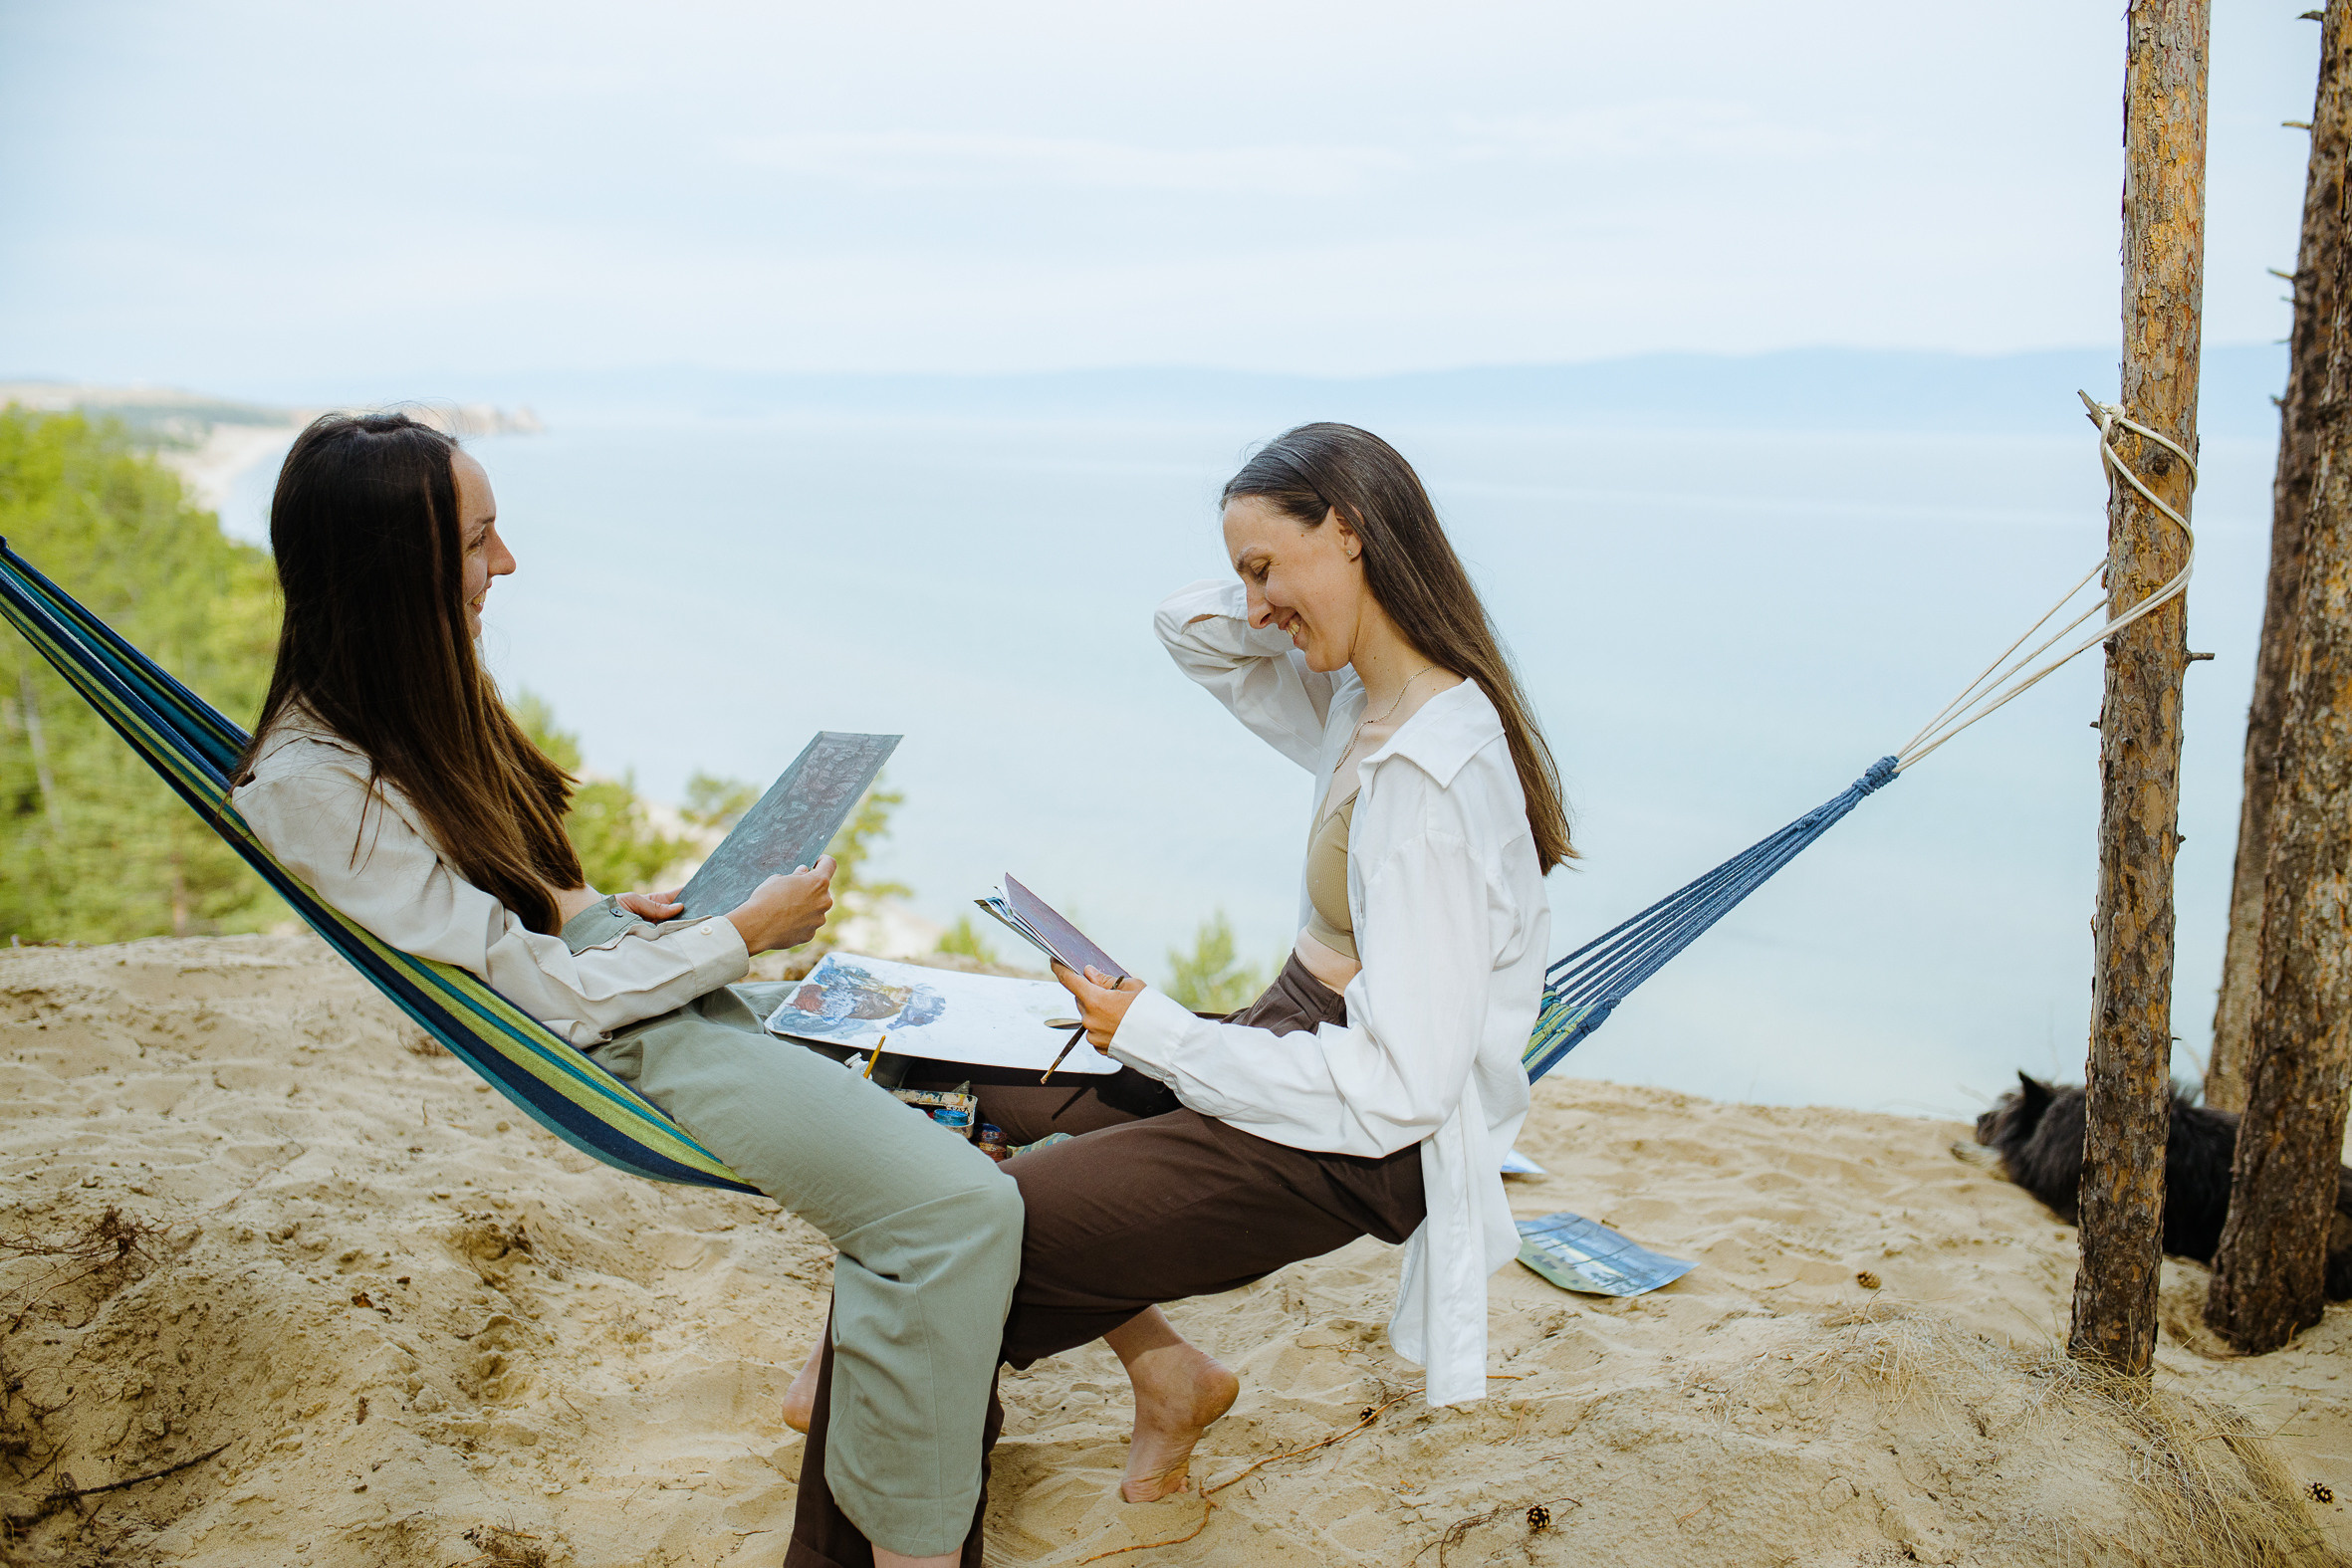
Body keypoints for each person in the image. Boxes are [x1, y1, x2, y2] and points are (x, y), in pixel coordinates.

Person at [230, 411, 1020, 1568]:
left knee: (967, 1066)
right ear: (395, 570)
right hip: (614, 1039)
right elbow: (538, 1002)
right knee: (957, 1210)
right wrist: (738, 939)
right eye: (479, 540)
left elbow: (517, 920)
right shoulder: (313, 784)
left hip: (623, 977)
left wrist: (616, 909)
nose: (507, 564)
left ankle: (1153, 1370)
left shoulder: (402, 700)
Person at [784, 421, 1571, 1564]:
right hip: (1287, 1042)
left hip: (1341, 1129)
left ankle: (876, 1436)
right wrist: (1278, 570)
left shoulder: (1428, 781)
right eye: (1243, 575)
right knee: (948, 1079)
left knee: (930, 1245)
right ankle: (1166, 1373)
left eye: (1266, 570)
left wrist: (1152, 1031)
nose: (1252, 608)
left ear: (1349, 532)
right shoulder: (1360, 704)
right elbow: (1187, 631)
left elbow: (1398, 1092)